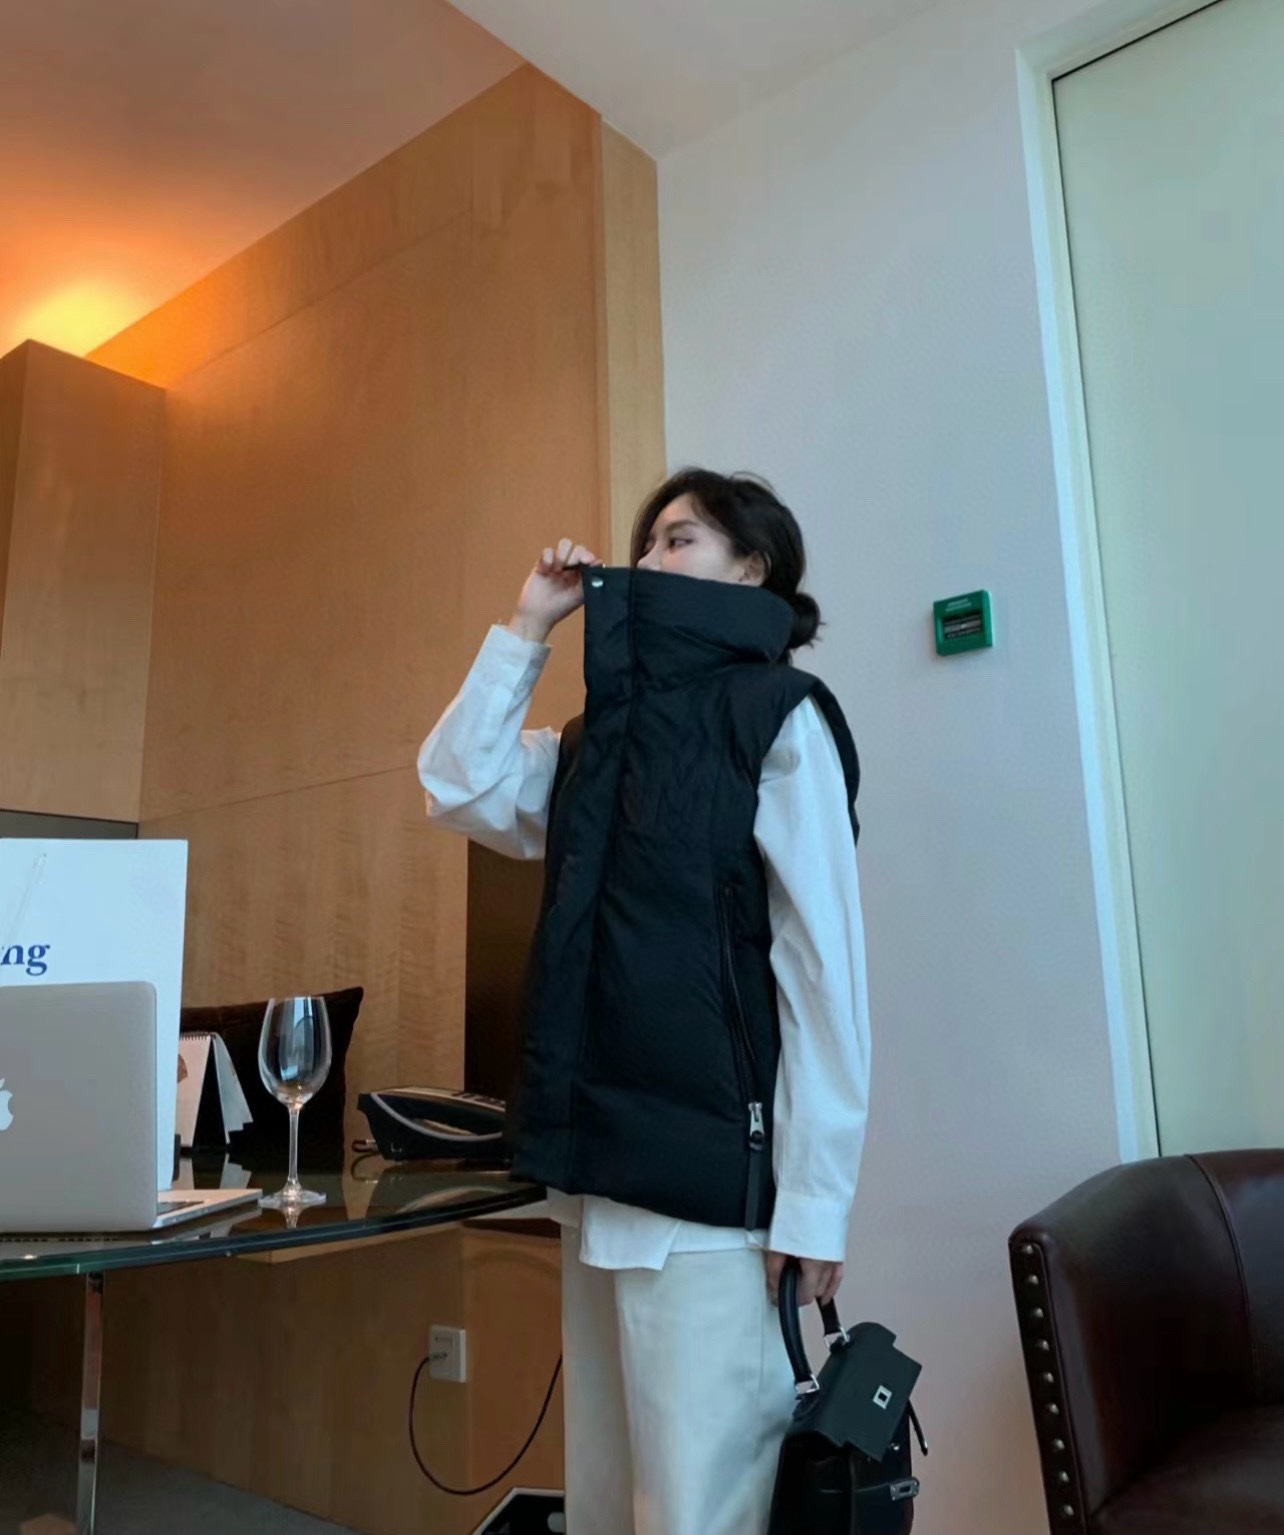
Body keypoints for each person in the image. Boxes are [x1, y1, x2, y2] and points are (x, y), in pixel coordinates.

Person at [418, 468, 870, 1535]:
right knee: (609, 1505)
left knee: (701, 1513)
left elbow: (824, 972)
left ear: (751, 568)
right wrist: (529, 624)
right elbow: (458, 782)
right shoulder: (594, 740)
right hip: (597, 1183)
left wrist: (816, 1202)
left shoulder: (779, 717)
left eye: (680, 538)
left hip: (712, 1196)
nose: (649, 558)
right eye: (648, 541)